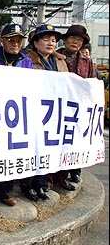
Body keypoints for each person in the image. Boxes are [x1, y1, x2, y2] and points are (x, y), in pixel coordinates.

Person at [0, 23, 33, 208]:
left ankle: (6, 191)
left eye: (19, 40)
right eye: (11, 40)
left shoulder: (26, 61)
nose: (15, 44)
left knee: (11, 153)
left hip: (17, 113)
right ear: (2, 41)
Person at [27, 24, 76, 194]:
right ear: (35, 42)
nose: (51, 43)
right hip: (37, 110)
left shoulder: (60, 60)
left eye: (53, 40)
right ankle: (35, 183)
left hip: (57, 111)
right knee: (37, 147)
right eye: (46, 39)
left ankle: (52, 180)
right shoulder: (28, 60)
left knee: (55, 146)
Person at [55, 24, 96, 186]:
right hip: (58, 107)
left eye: (79, 40)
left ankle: (64, 177)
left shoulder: (87, 61)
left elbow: (92, 82)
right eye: (72, 38)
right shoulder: (56, 57)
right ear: (65, 40)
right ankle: (50, 178)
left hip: (78, 107)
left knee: (72, 144)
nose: (75, 42)